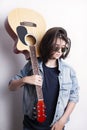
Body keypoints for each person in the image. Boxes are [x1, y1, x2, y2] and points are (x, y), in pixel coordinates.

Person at [8, 27, 79, 130]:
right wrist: (25, 80)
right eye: (56, 47)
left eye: (63, 48)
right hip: (30, 125)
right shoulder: (32, 65)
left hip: (55, 126)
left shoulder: (69, 71)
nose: (60, 51)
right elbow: (11, 87)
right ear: (48, 44)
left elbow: (74, 97)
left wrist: (62, 121)